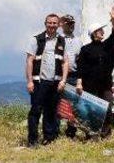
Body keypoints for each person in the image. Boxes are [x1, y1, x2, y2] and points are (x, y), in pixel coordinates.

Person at [26, 14, 68, 147]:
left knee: (51, 111)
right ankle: (32, 140)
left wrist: (63, 80)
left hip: (55, 83)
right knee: (36, 111)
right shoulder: (36, 40)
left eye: (54, 23)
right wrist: (30, 81)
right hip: (39, 82)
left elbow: (65, 62)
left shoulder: (62, 40)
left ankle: (48, 138)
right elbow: (29, 61)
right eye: (49, 23)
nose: (52, 25)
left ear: (58, 25)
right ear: (45, 24)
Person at [75, 20, 114, 137]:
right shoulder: (85, 49)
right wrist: (79, 83)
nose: (103, 31)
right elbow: (80, 67)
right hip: (90, 84)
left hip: (106, 84)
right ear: (94, 33)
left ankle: (106, 134)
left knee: (108, 107)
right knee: (91, 109)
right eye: (100, 30)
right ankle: (91, 134)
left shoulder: (107, 47)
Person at [59, 14, 82, 138]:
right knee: (58, 102)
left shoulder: (78, 40)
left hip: (74, 75)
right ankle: (54, 131)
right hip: (60, 75)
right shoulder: (58, 38)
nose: (71, 26)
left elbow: (80, 59)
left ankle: (71, 132)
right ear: (63, 24)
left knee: (73, 105)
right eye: (68, 23)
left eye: (72, 23)